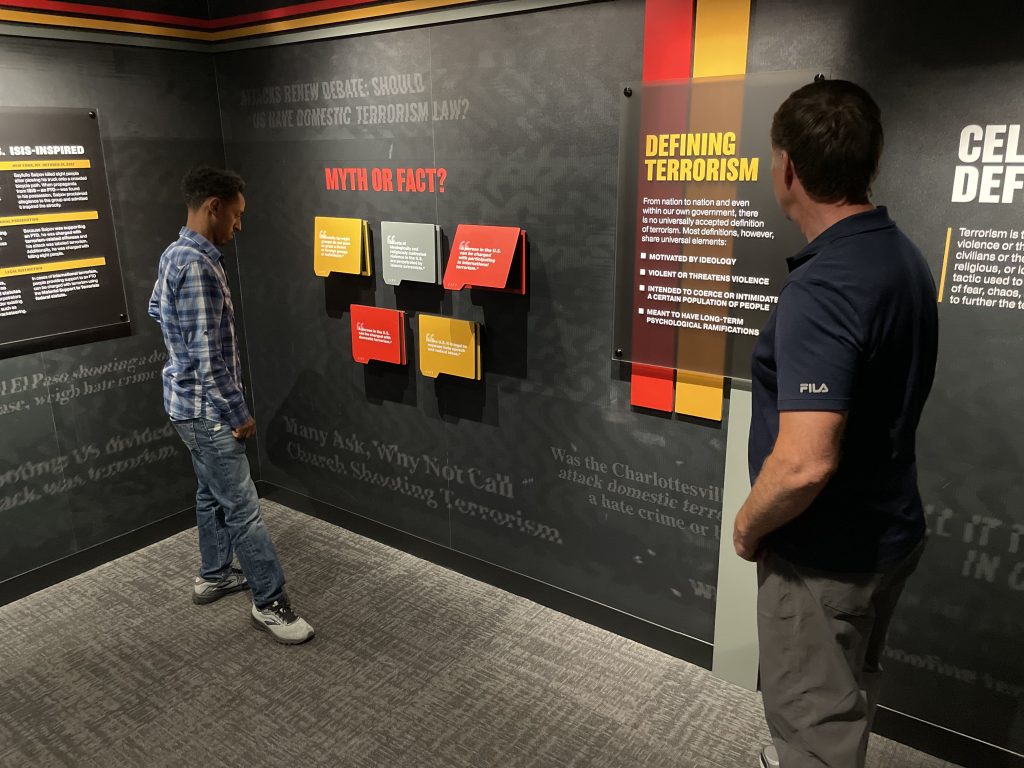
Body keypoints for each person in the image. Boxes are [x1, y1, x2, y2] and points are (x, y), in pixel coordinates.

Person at [733, 80, 938, 768]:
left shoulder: (826, 286)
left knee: (813, 730)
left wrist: (748, 525)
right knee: (845, 698)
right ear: (870, 163)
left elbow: (805, 461)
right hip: (886, 535)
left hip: (825, 558)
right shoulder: (901, 257)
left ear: (786, 167)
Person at [149, 166, 314, 645]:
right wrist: (238, 413)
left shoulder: (173, 253)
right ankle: (270, 603)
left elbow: (155, 308)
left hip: (182, 405)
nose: (239, 226)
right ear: (213, 207)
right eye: (236, 215)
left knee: (209, 492)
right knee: (243, 508)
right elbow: (208, 356)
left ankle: (215, 574)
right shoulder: (199, 265)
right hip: (207, 410)